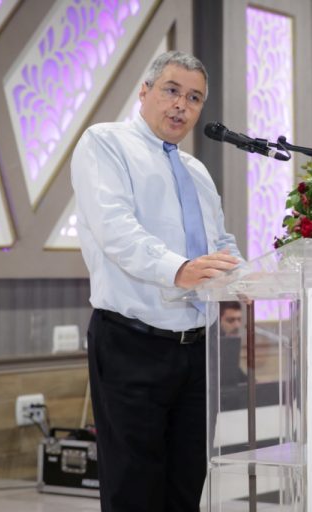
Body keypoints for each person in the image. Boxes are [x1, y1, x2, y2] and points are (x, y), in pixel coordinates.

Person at [71, 51, 241, 512]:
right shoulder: (105, 143)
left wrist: (248, 274)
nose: (181, 105)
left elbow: (220, 240)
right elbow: (115, 229)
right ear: (144, 91)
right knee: (134, 490)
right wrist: (179, 269)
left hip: (197, 350)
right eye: (171, 90)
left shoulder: (196, 171)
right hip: (132, 343)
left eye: (194, 98)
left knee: (186, 487)